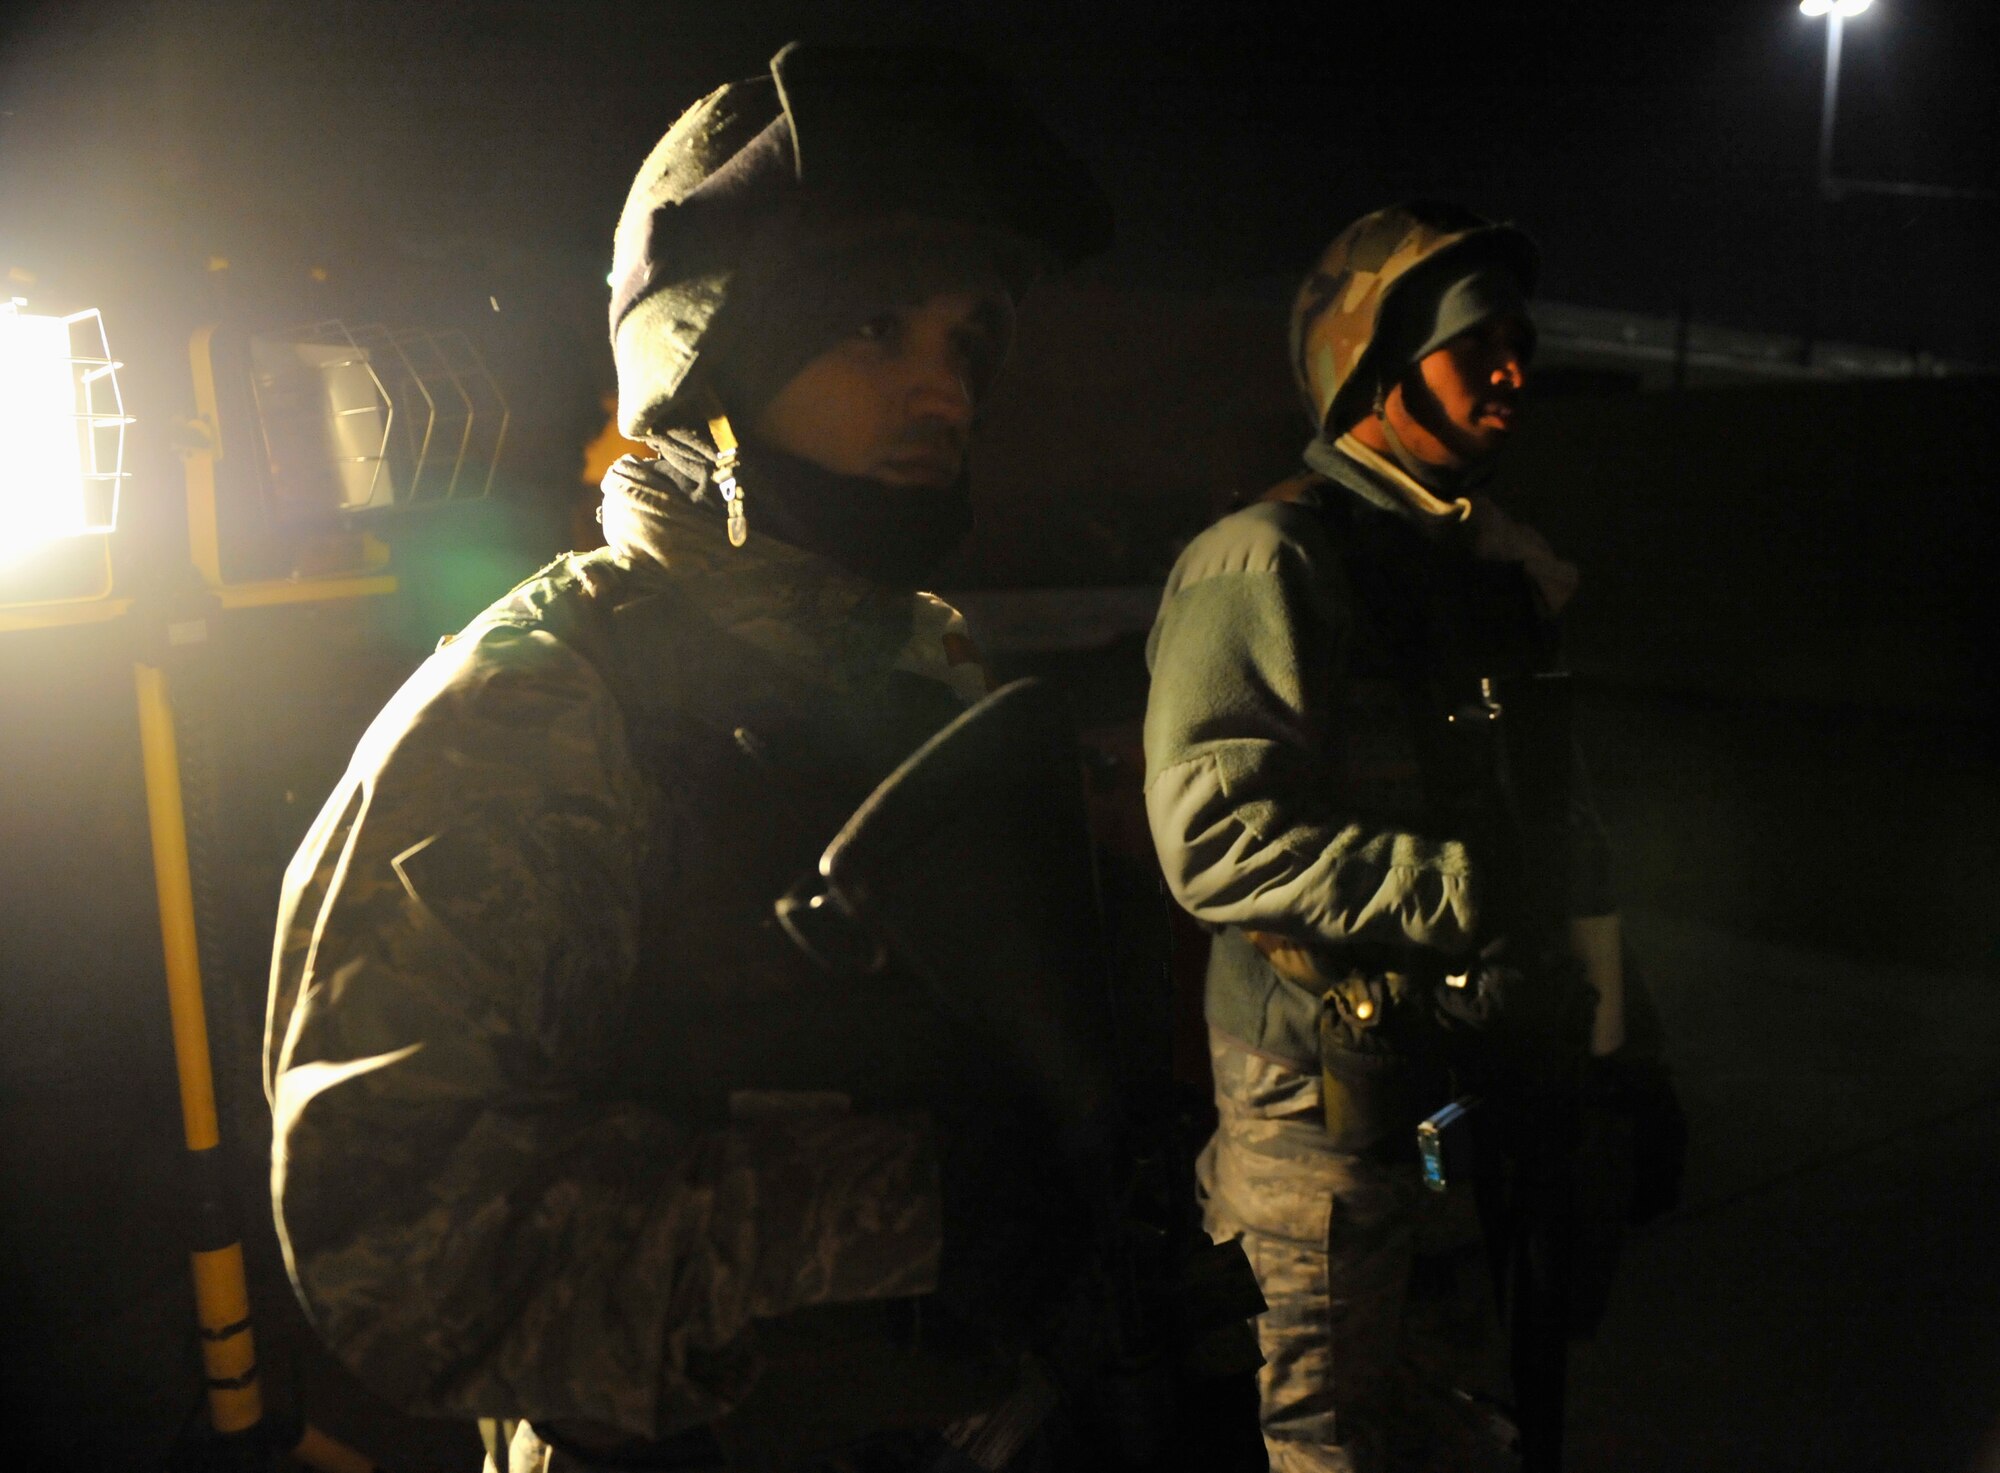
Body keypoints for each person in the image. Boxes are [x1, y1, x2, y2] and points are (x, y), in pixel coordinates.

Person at [264, 43, 1109, 1472]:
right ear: (710, 360)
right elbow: (391, 1242)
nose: (943, 390)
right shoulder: (538, 706)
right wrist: (912, 1204)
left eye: (967, 343)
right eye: (876, 328)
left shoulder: (928, 662)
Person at [1140, 201, 1629, 1472]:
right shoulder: (1268, 559)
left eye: (1522, 339)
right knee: (1331, 1432)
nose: (1516, 369)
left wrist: (1619, 1046)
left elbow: (1561, 819)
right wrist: (1467, 889)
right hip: (1321, 1096)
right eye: (1479, 344)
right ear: (1373, 362)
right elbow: (1216, 839)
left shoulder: (1489, 574)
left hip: (1469, 1079)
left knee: (1463, 1410)